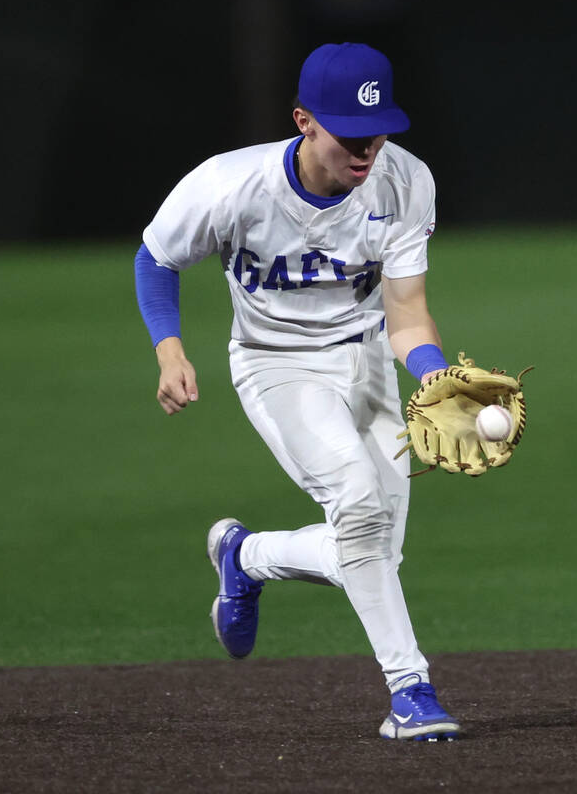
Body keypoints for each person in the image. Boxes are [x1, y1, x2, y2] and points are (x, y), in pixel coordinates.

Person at [134, 42, 460, 741]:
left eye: (377, 133)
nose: (367, 150)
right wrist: (170, 351)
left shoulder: (406, 182)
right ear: (304, 120)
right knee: (359, 505)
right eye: (349, 135)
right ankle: (411, 692)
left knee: (373, 553)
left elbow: (405, 312)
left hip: (366, 358)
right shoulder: (230, 184)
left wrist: (433, 374)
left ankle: (244, 558)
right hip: (276, 363)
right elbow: (156, 257)